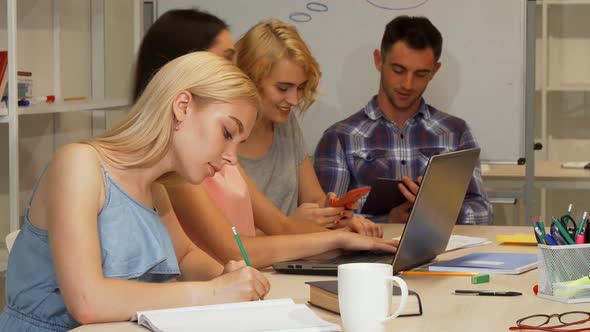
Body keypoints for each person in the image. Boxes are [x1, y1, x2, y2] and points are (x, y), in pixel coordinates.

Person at [0, 52, 271, 331]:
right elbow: (87, 301)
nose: (232, 158)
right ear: (183, 106)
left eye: (239, 142)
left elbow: (186, 256)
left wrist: (228, 278)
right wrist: (215, 291)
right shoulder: (79, 165)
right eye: (227, 133)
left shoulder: (157, 190)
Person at [132, 9, 394, 269]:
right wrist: (335, 238)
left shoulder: (215, 156)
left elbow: (279, 226)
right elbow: (233, 250)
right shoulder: (175, 168)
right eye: (226, 59)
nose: (231, 156)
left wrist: (337, 234)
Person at [313, 15, 492, 225]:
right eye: (398, 70)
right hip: (367, 256)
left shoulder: (455, 132)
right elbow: (324, 221)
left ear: (435, 71)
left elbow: (483, 214)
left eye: (421, 74)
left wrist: (440, 211)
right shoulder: (339, 137)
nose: (407, 84)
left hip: (441, 254)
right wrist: (387, 220)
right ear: (378, 60)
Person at [235, 19, 375, 228]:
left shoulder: (285, 121)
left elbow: (314, 199)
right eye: (283, 88)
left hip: (292, 254)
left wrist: (333, 214)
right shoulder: (221, 140)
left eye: (300, 88)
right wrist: (292, 226)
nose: (294, 100)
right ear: (250, 79)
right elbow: (229, 241)